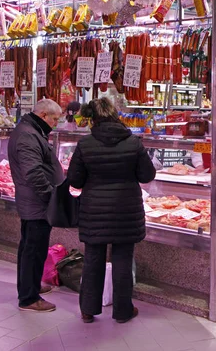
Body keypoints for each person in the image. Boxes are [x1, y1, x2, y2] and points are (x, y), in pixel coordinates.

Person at [68, 98, 156, 324]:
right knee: (123, 260)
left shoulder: (85, 144)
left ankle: (88, 310)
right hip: (126, 210)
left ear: (93, 118)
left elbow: (75, 180)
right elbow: (147, 176)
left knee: (93, 259)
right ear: (115, 115)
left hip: (94, 211)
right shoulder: (133, 143)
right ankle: (123, 311)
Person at [8, 99, 64, 312]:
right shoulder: (28, 135)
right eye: (54, 119)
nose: (56, 123)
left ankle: (29, 287)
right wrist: (50, 197)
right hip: (37, 202)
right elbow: (33, 173)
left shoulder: (31, 131)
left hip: (34, 201)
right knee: (34, 250)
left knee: (30, 248)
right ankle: (29, 298)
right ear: (43, 115)